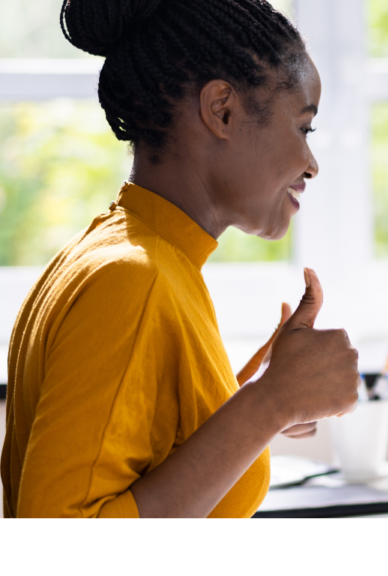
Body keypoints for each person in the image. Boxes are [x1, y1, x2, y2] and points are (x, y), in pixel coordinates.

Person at [2, 0, 361, 518]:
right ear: (222, 110)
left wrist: (257, 399)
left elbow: (139, 467)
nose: (312, 164)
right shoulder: (132, 280)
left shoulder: (129, 256)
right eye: (304, 128)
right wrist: (268, 405)